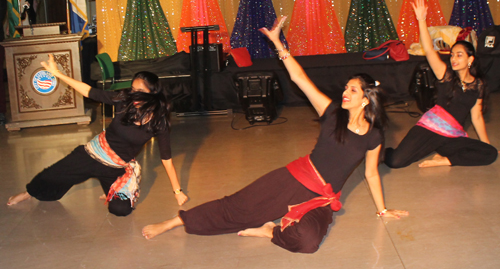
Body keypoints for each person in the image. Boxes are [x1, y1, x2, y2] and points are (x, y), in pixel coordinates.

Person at [142, 16, 408, 253]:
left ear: (365, 100)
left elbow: (371, 173)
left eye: (352, 90)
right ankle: (177, 220)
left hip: (322, 199)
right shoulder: (331, 113)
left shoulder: (373, 136)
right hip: (294, 178)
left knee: (307, 242)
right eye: (346, 88)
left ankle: (270, 230)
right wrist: (278, 44)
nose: (345, 93)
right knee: (237, 208)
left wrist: (382, 210)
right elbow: (300, 78)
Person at [7, 54, 188, 216]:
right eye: (133, 89)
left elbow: (166, 159)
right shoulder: (123, 101)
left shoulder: (158, 121)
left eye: (140, 91)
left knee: (121, 210)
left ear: (153, 93)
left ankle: (109, 189)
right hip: (92, 154)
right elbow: (88, 91)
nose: (134, 94)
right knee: (51, 175)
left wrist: (178, 191)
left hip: (116, 167)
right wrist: (58, 74)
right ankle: (28, 193)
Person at [384, 0, 497, 168]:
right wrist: (421, 19)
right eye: (452, 55)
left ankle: (446, 160)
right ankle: (379, 151)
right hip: (429, 129)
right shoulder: (446, 75)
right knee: (395, 161)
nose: (453, 58)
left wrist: (486, 143)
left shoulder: (478, 85)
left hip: (452, 136)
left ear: (470, 59)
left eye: (459, 55)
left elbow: (477, 116)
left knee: (490, 153)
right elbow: (429, 50)